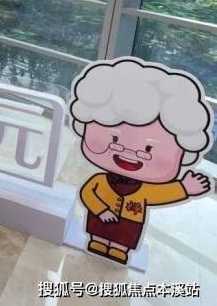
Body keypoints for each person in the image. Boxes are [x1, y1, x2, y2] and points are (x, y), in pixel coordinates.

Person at [69, 57, 213, 265]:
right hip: (99, 218)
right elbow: (87, 193)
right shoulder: (99, 181)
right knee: (99, 235)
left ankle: (120, 250)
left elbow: (161, 193)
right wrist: (101, 210)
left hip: (130, 223)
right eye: (115, 139)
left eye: (149, 148)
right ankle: (97, 242)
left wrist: (184, 188)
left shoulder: (144, 190)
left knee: (122, 240)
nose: (130, 152)